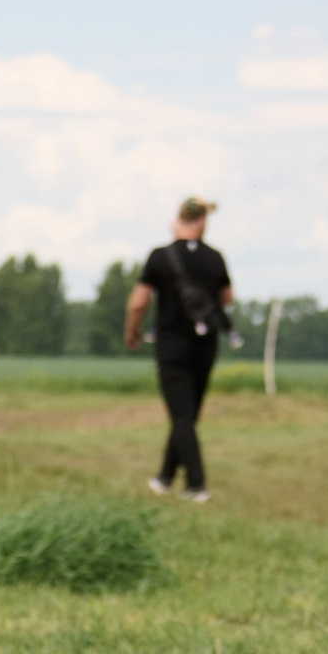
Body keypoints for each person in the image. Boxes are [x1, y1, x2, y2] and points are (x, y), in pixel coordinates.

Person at [123, 200, 233, 502]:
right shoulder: (215, 258)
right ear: (203, 222)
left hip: (172, 345)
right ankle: (165, 477)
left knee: (181, 415)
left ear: (178, 219)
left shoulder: (161, 257)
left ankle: (196, 484)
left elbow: (138, 301)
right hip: (206, 345)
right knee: (188, 414)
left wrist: (132, 330)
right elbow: (227, 297)